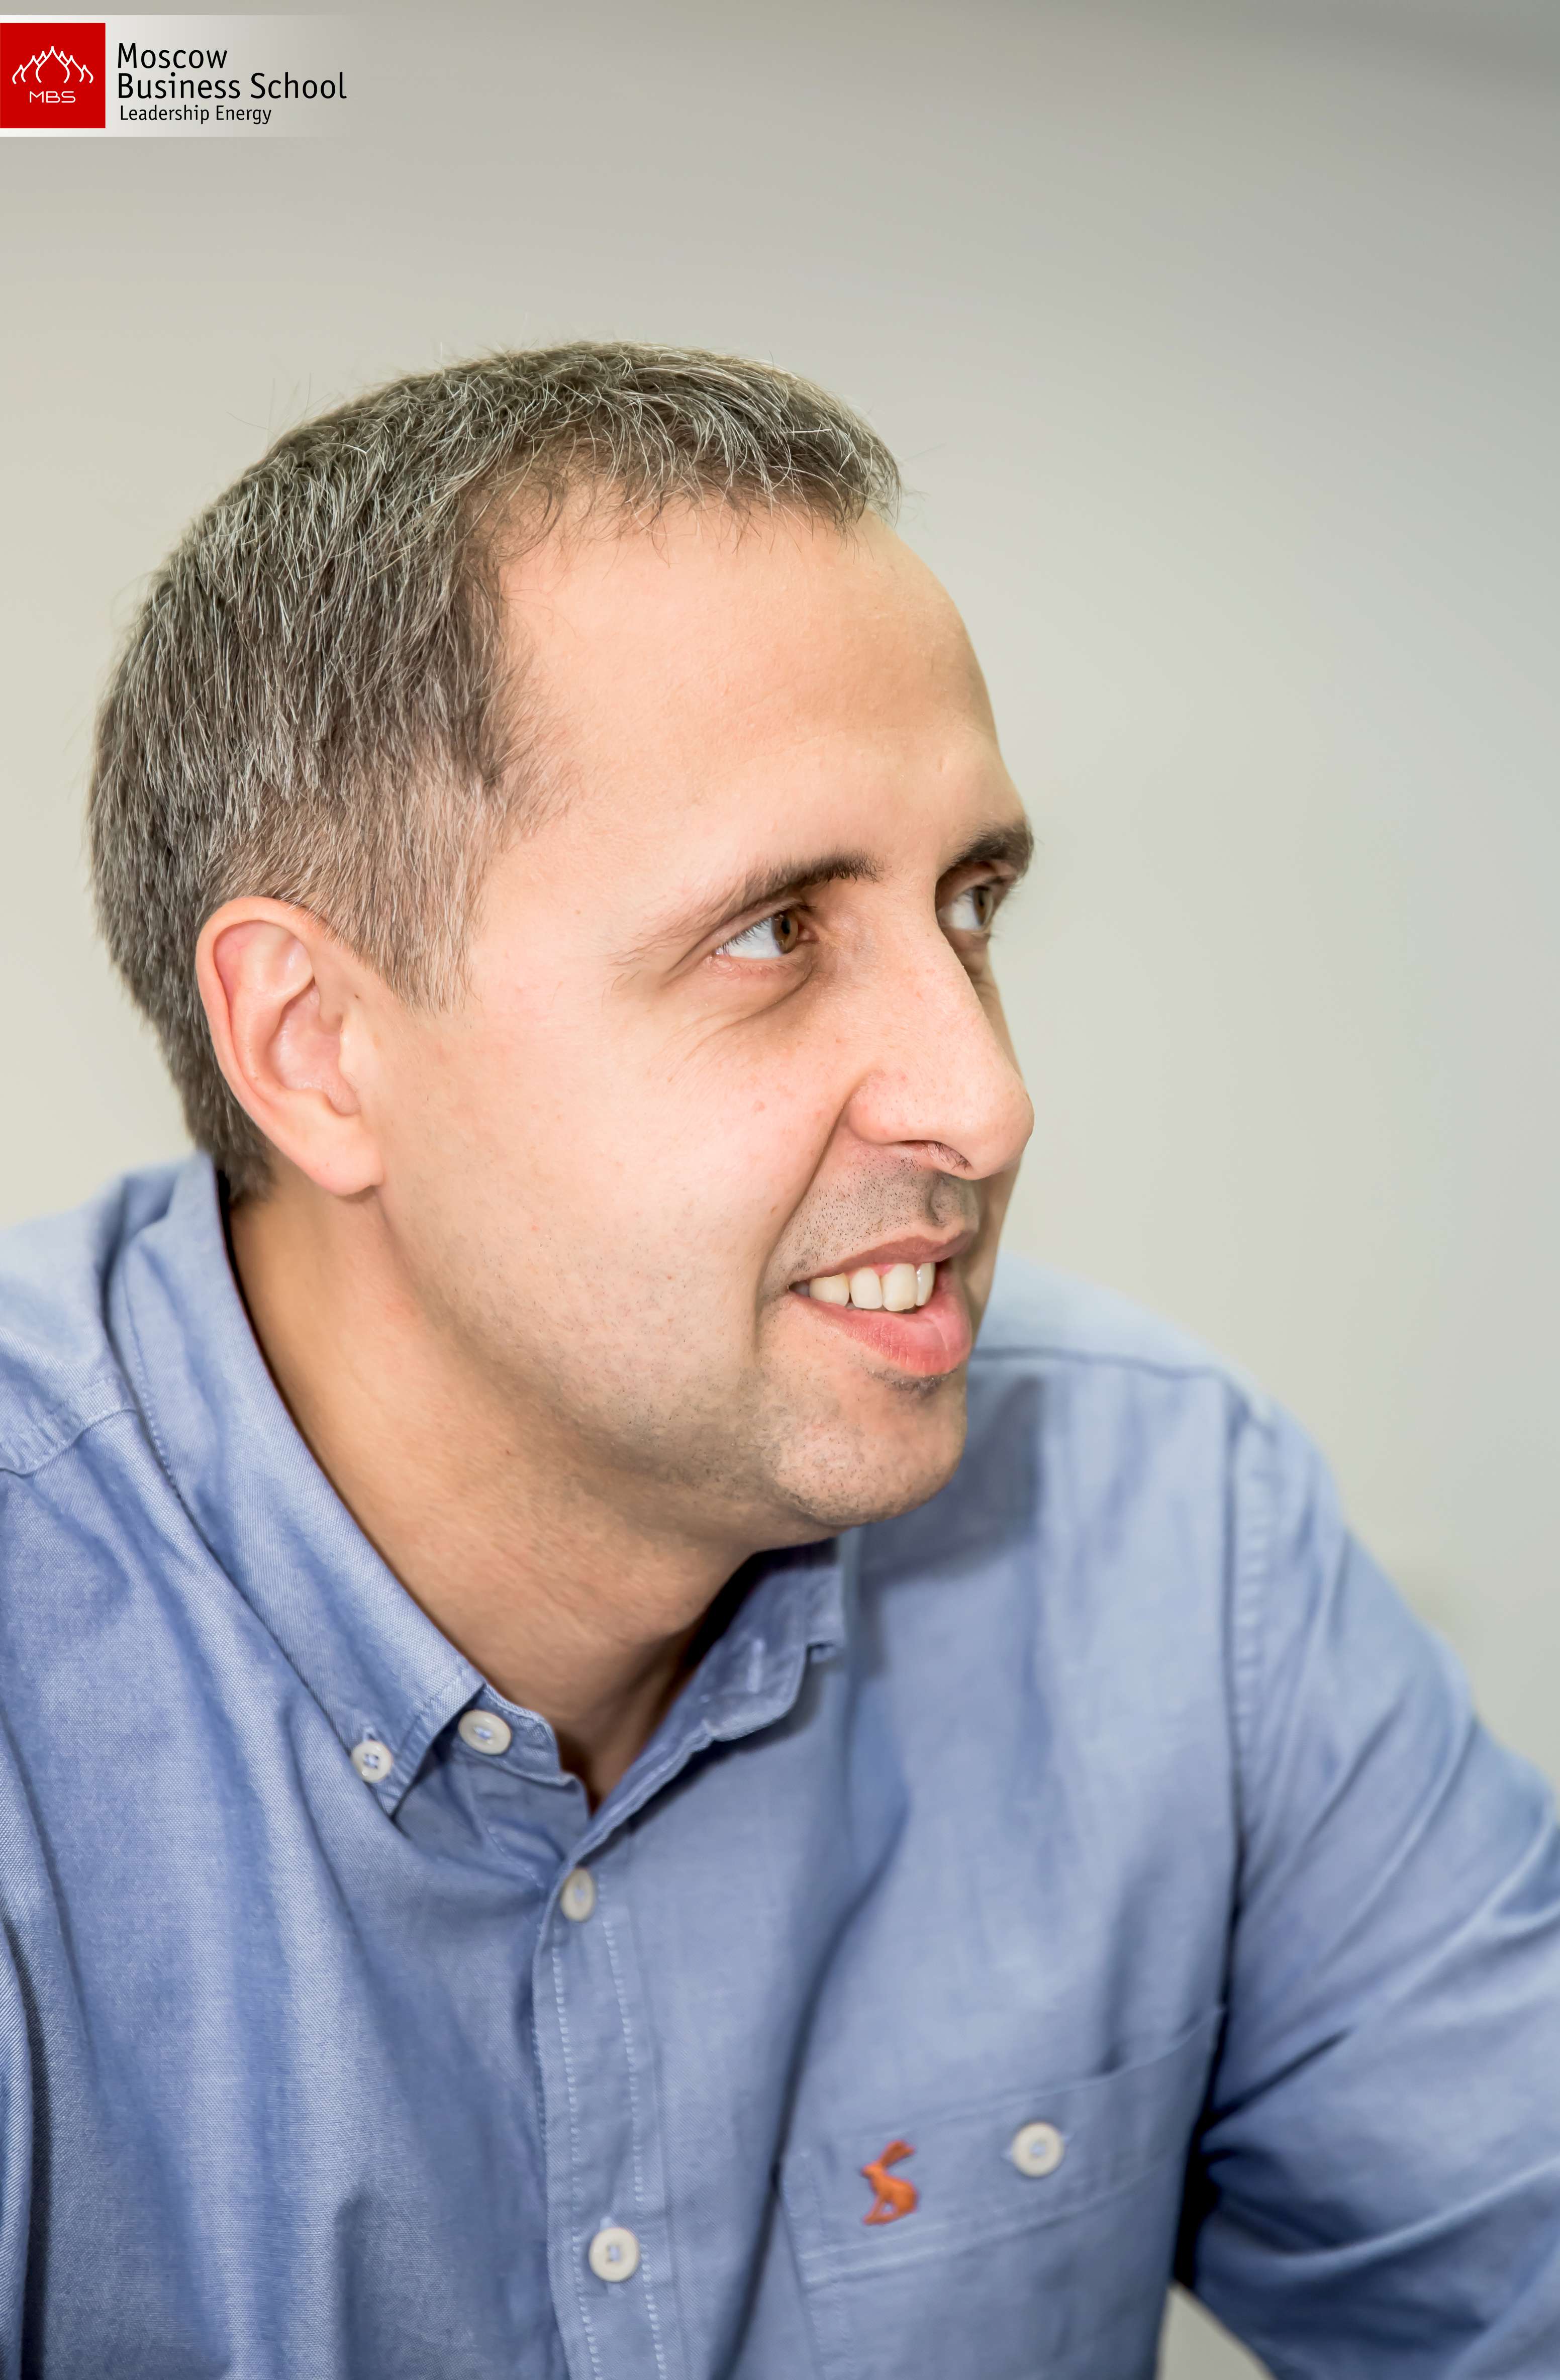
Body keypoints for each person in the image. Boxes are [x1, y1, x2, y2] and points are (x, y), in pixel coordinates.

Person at [1, 343, 1554, 2378]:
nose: (985, 1102)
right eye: (774, 932)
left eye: (969, 903)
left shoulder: (1170, 1540)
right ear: (316, 1045)